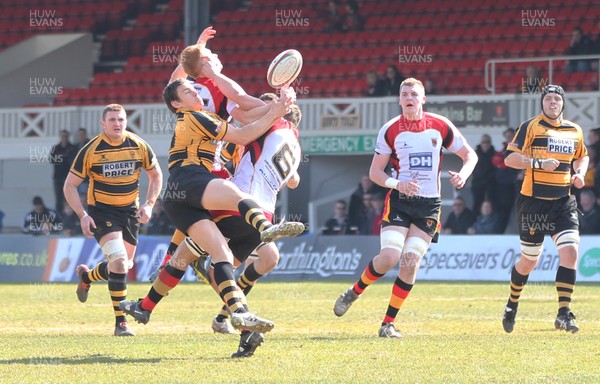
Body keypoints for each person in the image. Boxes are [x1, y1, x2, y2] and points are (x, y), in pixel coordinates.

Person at [119, 73, 303, 341]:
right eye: (190, 91)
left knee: (210, 260)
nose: (197, 93)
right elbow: (294, 180)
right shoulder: (292, 144)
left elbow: (238, 104)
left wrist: (211, 70)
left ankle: (151, 305)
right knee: (218, 259)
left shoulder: (259, 127)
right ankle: (233, 321)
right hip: (250, 207)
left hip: (230, 204)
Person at [333, 77, 478, 338]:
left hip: (429, 205)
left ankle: (387, 323)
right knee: (389, 258)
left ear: (423, 99)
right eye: (404, 94)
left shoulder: (440, 126)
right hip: (400, 201)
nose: (409, 97)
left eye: (414, 93)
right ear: (399, 100)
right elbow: (375, 173)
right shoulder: (390, 129)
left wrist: (464, 175)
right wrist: (397, 184)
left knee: (410, 262)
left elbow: (470, 155)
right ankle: (354, 291)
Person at [64, 104, 163, 336]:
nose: (117, 123)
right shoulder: (91, 150)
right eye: (112, 120)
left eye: (121, 119)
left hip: (130, 212)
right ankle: (121, 323)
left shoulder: (138, 145)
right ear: (103, 124)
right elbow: (70, 185)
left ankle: (87, 277)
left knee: (124, 266)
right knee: (119, 262)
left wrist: (149, 204)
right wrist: (82, 215)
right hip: (102, 212)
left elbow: (156, 174)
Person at [501, 85, 589, 334]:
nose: (552, 102)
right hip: (534, 202)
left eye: (556, 99)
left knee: (570, 252)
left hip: (563, 201)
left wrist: (579, 172)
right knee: (530, 261)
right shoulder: (530, 126)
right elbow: (510, 158)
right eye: (548, 98)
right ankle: (512, 304)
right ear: (542, 103)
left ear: (563, 103)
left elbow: (583, 156)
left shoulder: (574, 130)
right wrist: (537, 162)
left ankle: (564, 313)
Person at [492, 128, 520, 233]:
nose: (509, 139)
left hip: (519, 188)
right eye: (507, 137)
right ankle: (498, 235)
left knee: (523, 213)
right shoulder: (501, 152)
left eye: (511, 137)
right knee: (503, 214)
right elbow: (497, 163)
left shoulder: (522, 149)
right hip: (504, 189)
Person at [51, 130, 75, 213]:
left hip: (68, 177)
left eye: (65, 136)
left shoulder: (72, 148)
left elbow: (72, 161)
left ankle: (67, 216)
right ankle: (59, 216)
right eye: (62, 136)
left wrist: (61, 157)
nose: (64, 138)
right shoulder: (56, 148)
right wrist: (63, 156)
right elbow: (52, 160)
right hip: (57, 177)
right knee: (58, 198)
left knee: (67, 198)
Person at [470, 134, 496, 214]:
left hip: (490, 184)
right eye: (484, 142)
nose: (486, 144)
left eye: (487, 142)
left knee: (492, 205)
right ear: (480, 143)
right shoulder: (474, 154)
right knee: (477, 205)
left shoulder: (494, 154)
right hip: (477, 183)